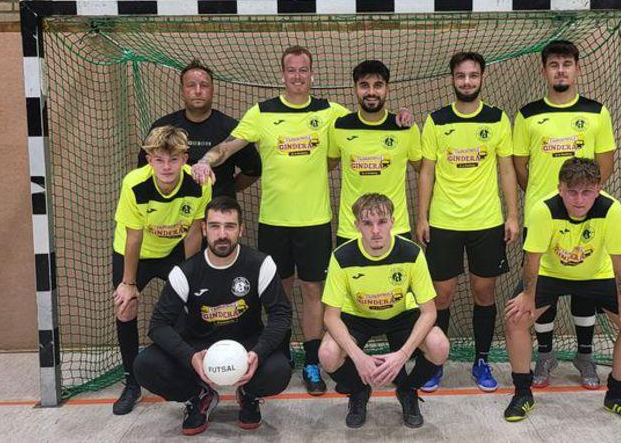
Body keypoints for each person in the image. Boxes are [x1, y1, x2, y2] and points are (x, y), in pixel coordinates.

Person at [191, 46, 411, 395]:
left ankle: (311, 360)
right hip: (274, 221)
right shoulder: (262, 112)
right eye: (291, 70)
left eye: (303, 70)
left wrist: (401, 118)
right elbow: (227, 147)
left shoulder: (329, 112)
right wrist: (205, 160)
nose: (297, 76)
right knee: (278, 292)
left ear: (312, 74)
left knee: (313, 292)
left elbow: (369, 117)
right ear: (283, 75)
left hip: (315, 221)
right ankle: (278, 353)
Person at [503, 158, 621, 425]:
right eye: (572, 192)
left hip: (598, 275)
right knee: (515, 319)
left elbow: (620, 262)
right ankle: (522, 393)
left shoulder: (612, 210)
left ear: (598, 189)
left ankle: (616, 395)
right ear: (560, 188)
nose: (579, 200)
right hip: (551, 273)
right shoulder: (543, 210)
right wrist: (527, 296)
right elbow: (532, 260)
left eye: (586, 192)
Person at [133, 196, 292, 435]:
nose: (222, 234)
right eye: (215, 226)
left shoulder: (261, 264)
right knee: (145, 365)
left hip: (246, 346)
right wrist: (190, 357)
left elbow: (281, 314)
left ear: (240, 229)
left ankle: (248, 395)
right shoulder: (185, 272)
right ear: (204, 229)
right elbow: (158, 325)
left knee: (279, 371)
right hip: (199, 347)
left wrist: (258, 353)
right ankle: (198, 396)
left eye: (230, 226)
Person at [512, 40, 618, 389]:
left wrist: (581, 201)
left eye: (567, 64)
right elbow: (520, 167)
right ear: (544, 71)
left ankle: (584, 356)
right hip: (542, 219)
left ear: (577, 69)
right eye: (554, 64)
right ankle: (545, 355)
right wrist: (545, 203)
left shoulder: (596, 112)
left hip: (584, 219)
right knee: (544, 289)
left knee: (584, 286)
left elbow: (605, 164)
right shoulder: (527, 115)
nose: (561, 70)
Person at [415, 51, 520, 392]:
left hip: (486, 221)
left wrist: (512, 215)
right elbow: (426, 172)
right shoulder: (436, 120)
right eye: (461, 76)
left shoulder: (497, 119)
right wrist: (422, 217)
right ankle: (435, 363)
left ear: (482, 78)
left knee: (483, 292)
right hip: (444, 222)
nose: (467, 81)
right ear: (452, 79)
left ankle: (482, 361)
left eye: (473, 75)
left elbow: (507, 170)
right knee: (441, 296)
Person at [319, 193, 449, 429]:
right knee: (328, 354)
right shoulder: (342, 257)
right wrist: (358, 358)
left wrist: (403, 355)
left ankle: (407, 390)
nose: (376, 231)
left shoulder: (411, 253)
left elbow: (429, 312)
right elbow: (330, 316)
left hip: (401, 315)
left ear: (393, 222)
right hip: (357, 316)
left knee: (439, 346)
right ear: (357, 225)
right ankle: (359, 391)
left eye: (382, 222)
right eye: (367, 223)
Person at [110, 125, 212, 415]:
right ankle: (132, 382)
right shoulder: (135, 184)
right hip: (135, 253)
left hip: (172, 251)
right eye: (159, 160)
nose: (166, 167)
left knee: (189, 306)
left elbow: (194, 232)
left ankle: (188, 372)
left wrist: (190, 277)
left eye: (173, 159)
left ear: (184, 159)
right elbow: (134, 237)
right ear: (149, 159)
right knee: (125, 306)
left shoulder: (199, 182)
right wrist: (128, 283)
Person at [328, 60, 422, 246]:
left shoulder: (405, 128)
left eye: (378, 85)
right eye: (364, 85)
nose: (371, 92)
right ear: (355, 89)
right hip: (351, 230)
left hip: (396, 229)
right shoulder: (339, 126)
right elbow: (326, 164)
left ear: (387, 89)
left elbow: (424, 169)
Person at [137, 59, 261, 200]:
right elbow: (144, 169)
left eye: (204, 85)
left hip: (216, 209)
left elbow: (253, 170)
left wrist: (225, 190)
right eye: (191, 85)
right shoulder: (163, 127)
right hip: (174, 209)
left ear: (212, 91)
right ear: (182, 91)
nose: (197, 91)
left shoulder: (231, 128)